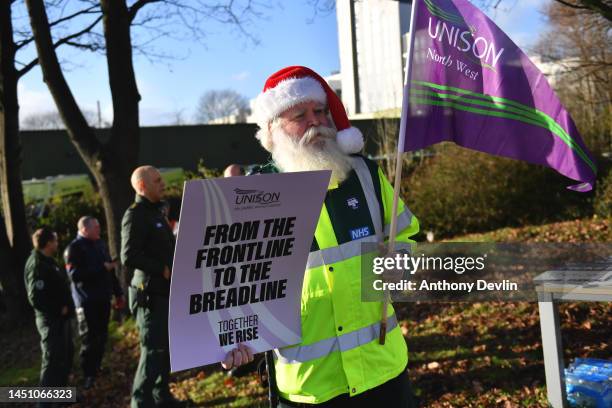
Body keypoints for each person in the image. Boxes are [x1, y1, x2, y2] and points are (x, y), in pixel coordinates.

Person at [225, 66, 420, 407]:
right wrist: (232, 338)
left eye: (320, 111)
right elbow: (232, 286)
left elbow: (406, 234)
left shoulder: (366, 174)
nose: (314, 121)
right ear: (273, 130)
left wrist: (402, 263)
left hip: (382, 370)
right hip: (310, 385)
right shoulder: (253, 196)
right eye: (299, 115)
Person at [121, 165, 189, 408]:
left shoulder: (155, 211)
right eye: (157, 180)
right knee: (152, 352)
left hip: (164, 294)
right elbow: (128, 256)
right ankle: (140, 402)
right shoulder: (136, 214)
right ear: (142, 186)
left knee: (165, 350)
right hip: (149, 295)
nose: (163, 183)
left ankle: (162, 397)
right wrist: (161, 268)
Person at [64, 216, 124, 389]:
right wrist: (101, 269)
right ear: (84, 229)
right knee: (89, 338)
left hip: (103, 299)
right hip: (86, 301)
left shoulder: (100, 244)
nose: (99, 230)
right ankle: (88, 374)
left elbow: (110, 271)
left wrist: (118, 293)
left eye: (99, 227)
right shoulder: (74, 249)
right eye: (95, 227)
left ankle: (97, 367)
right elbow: (75, 276)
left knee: (102, 336)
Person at [24, 227, 74, 404]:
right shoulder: (37, 265)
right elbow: (36, 297)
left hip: (61, 320)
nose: (57, 243)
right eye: (54, 240)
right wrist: (57, 309)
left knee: (65, 358)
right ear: (47, 243)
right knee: (52, 362)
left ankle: (60, 398)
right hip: (51, 321)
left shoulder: (49, 261)